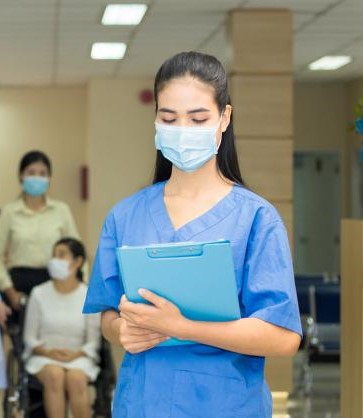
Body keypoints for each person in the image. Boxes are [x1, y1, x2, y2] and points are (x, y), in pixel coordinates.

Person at [83, 51, 302, 417]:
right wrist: (120, 330)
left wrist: (181, 326)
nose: (183, 130)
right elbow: (107, 311)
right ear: (155, 119)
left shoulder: (256, 219)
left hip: (227, 405)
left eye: (198, 118)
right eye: (169, 118)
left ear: (224, 118)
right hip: (142, 403)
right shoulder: (126, 216)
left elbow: (283, 336)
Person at [23, 238, 100, 418]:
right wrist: (48, 353)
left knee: (76, 378)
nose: (54, 260)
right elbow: (29, 338)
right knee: (55, 375)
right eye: (53, 255)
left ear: (78, 262)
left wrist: (76, 354)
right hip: (44, 356)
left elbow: (93, 341)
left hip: (78, 357)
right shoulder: (39, 293)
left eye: (61, 255)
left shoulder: (87, 295)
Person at [0, 150, 81, 310]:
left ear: (49, 178)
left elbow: (77, 251)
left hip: (55, 283)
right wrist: (11, 293)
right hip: (18, 286)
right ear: (21, 176)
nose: (37, 177)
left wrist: (78, 285)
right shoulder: (9, 211)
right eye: (31, 172)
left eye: (42, 173)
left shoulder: (61, 210)